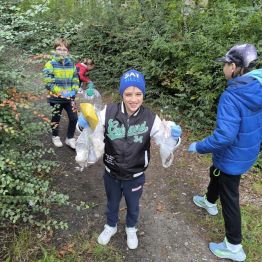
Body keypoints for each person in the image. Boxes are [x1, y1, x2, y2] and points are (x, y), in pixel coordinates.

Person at [77, 69, 182, 249]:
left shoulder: (151, 118)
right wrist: (82, 124)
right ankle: (110, 226)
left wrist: (174, 137)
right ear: (121, 94)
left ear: (143, 94)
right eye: (128, 94)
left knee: (133, 205)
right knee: (112, 203)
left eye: (138, 94)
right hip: (111, 173)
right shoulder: (108, 112)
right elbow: (91, 131)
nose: (133, 99)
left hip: (135, 175)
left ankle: (131, 228)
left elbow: (164, 141)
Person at [188, 44, 262, 261]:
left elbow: (224, 137)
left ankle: (234, 246)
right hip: (246, 151)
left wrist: (199, 146)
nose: (223, 69)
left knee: (230, 198)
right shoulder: (257, 86)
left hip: (233, 154)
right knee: (215, 171)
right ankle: (209, 201)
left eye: (225, 64)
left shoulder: (233, 95)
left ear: (234, 67)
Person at [43, 38, 79, 149]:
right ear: (55, 50)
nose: (61, 52)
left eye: (64, 49)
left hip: (70, 98)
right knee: (56, 118)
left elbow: (75, 78)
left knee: (74, 118)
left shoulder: (71, 64)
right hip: (56, 99)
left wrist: (74, 90)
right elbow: (48, 83)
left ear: (68, 52)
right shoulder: (50, 64)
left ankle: (69, 138)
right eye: (59, 49)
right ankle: (55, 136)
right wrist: (61, 92)